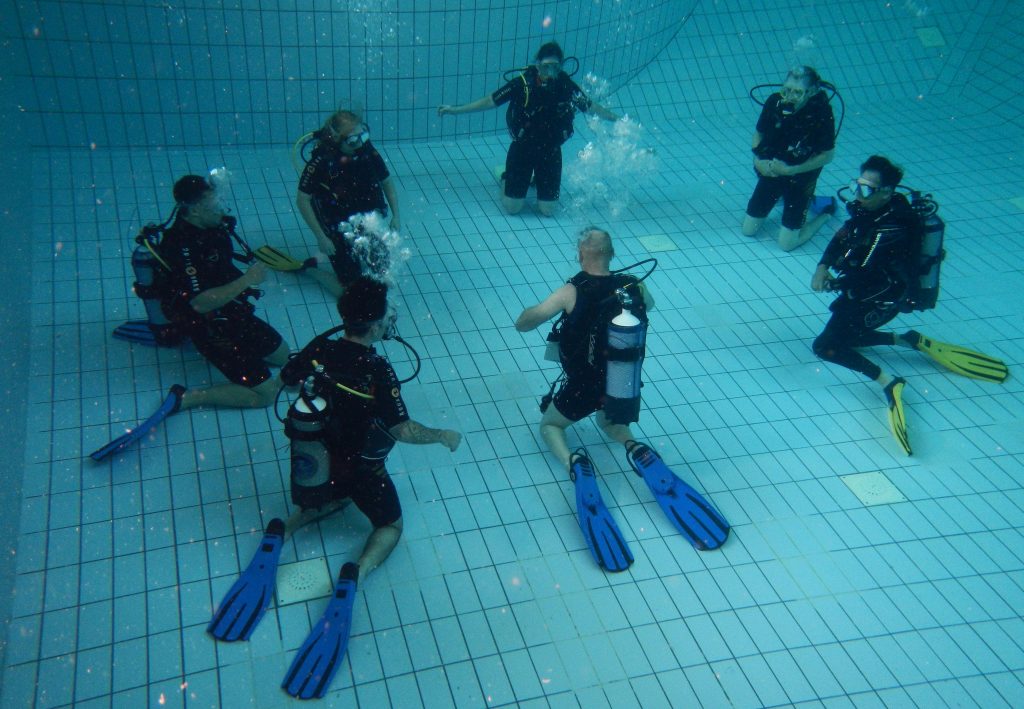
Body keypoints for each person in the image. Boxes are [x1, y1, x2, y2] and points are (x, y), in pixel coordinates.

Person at [279, 277, 462, 583]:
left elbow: (287, 380)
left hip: (321, 457)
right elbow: (402, 429)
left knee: (333, 492)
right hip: (362, 470)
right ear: (376, 326)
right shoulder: (377, 368)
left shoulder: (322, 347)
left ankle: (289, 526)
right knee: (391, 526)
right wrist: (442, 436)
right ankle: (357, 573)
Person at [514, 227, 653, 467]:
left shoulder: (572, 291)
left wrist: (530, 313)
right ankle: (636, 448)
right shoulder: (632, 286)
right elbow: (648, 305)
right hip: (622, 380)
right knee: (610, 423)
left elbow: (524, 325)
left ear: (580, 255)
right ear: (613, 253)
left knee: (550, 425)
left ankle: (573, 463)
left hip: (585, 386)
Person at [438, 42, 620, 217]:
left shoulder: (565, 86)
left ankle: (534, 179)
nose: (550, 72)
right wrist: (456, 110)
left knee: (548, 211)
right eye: (546, 67)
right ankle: (506, 176)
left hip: (551, 151)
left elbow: (589, 106)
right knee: (513, 208)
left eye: (555, 67)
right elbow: (490, 101)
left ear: (561, 67)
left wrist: (617, 120)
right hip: (523, 149)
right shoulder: (523, 84)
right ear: (537, 65)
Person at [159, 175, 290, 410]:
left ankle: (244, 360)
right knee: (266, 395)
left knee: (282, 356)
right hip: (208, 325)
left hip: (233, 312)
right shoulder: (180, 246)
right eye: (215, 204)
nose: (222, 209)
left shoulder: (214, 226)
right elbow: (199, 304)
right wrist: (248, 279)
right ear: (196, 210)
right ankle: (190, 397)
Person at [296, 109, 402, 297]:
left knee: (384, 273)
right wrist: (321, 237)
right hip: (335, 219)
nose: (360, 144)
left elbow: (386, 181)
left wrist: (396, 215)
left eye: (364, 134)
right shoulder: (322, 161)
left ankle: (356, 253)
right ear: (337, 139)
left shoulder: (367, 150)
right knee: (349, 292)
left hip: (363, 212)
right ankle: (312, 270)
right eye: (353, 140)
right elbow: (303, 200)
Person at [743, 66, 836, 251]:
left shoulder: (821, 113)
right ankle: (780, 196)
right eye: (786, 90)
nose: (789, 97)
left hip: (800, 178)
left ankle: (825, 214)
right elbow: (758, 134)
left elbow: (827, 155)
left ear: (812, 92)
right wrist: (758, 160)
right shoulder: (774, 102)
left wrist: (792, 170)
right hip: (773, 171)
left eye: (797, 92)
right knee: (748, 230)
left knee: (786, 244)